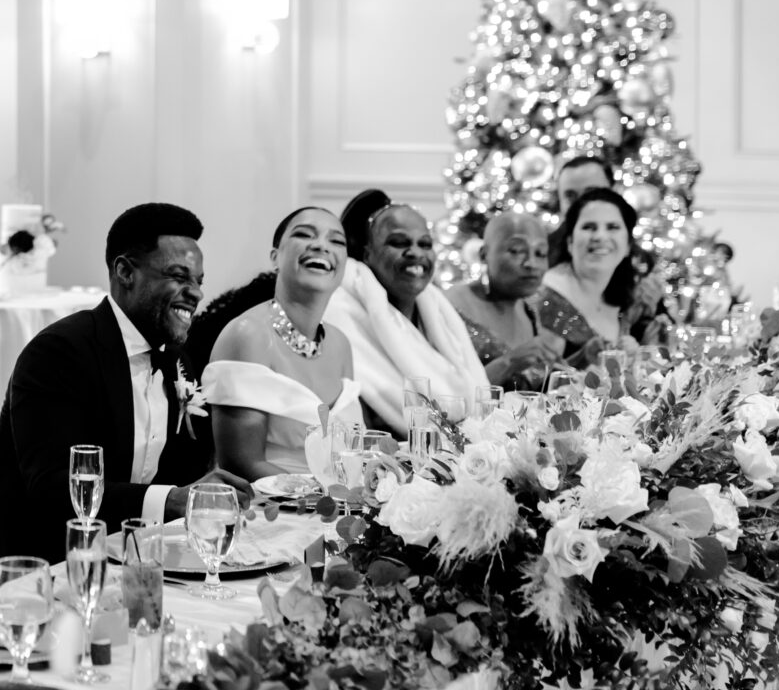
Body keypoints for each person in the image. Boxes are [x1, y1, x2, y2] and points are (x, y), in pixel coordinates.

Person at [0, 203, 250, 595]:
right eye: (179, 276)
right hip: (28, 564)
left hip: (125, 559)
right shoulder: (59, 353)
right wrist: (172, 501)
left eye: (198, 279)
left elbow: (178, 472)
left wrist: (201, 491)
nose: (194, 292)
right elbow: (51, 487)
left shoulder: (176, 359)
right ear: (125, 272)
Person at [203, 208, 363, 479]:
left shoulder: (341, 344)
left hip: (338, 511)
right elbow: (241, 463)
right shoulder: (247, 335)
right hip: (264, 510)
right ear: (275, 258)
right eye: (304, 234)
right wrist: (324, 498)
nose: (321, 245)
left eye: (336, 241)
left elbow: (354, 451)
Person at [326, 190, 490, 435]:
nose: (416, 253)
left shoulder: (439, 311)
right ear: (367, 253)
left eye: (425, 244)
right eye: (399, 243)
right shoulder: (343, 315)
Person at [446, 212, 563, 390]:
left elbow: (531, 388)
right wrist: (508, 362)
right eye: (516, 251)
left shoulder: (528, 311)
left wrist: (582, 357)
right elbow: (446, 394)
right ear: (484, 255)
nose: (531, 263)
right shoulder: (450, 306)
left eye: (540, 253)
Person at [535, 188, 645, 364]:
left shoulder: (622, 300)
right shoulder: (548, 296)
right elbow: (535, 381)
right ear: (570, 242)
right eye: (589, 227)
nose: (600, 236)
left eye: (612, 227)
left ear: (628, 246)